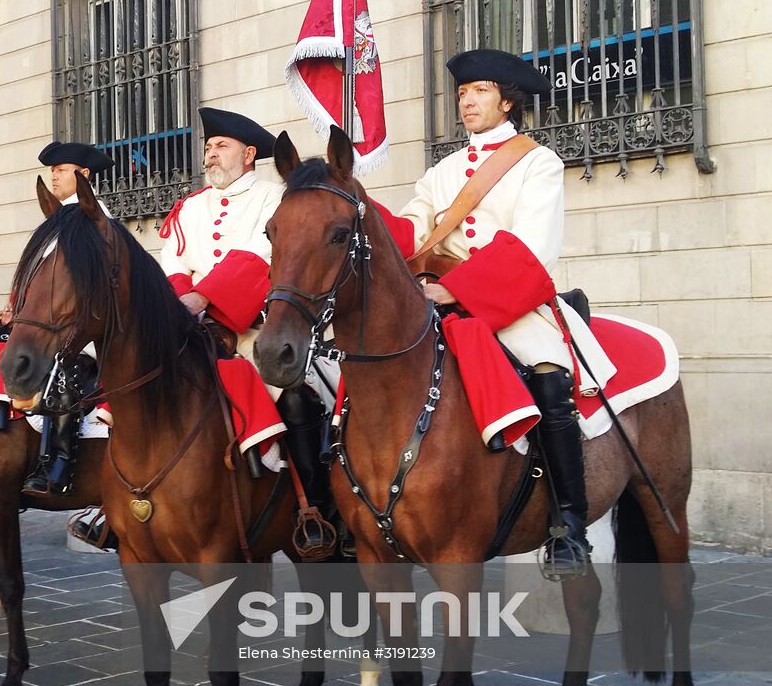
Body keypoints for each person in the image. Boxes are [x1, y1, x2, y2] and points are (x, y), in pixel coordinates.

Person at [369, 48, 597, 574]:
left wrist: (460, 291)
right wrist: (358, 202)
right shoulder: (442, 171)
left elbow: (532, 249)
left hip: (508, 304)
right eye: (463, 94)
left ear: (507, 101)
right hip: (436, 301)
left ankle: (569, 525)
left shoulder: (537, 162)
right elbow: (410, 234)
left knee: (547, 378)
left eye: (480, 92)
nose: (467, 102)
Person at [154, 107, 335, 548]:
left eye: (221, 147)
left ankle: (316, 510)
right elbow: (172, 259)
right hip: (189, 331)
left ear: (248, 154)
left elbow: (263, 254)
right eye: (208, 147)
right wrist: (183, 305)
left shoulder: (275, 197)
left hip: (258, 331)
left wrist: (206, 299)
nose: (210, 155)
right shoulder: (190, 207)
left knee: (297, 400)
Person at [19, 141, 114, 498]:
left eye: (61, 170)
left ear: (84, 175)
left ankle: (56, 467)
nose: (54, 176)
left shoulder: (95, 219)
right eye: (52, 171)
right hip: (52, 322)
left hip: (87, 326)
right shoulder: (59, 219)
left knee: (64, 370)